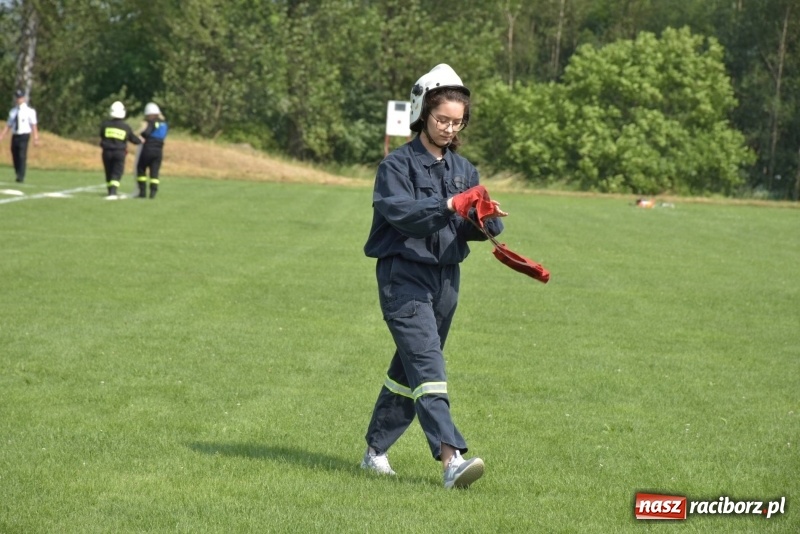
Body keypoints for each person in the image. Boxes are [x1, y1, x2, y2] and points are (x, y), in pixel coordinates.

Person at [361, 64, 507, 489]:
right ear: (423, 113)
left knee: (409, 370)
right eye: (442, 119)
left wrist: (486, 220)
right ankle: (451, 459)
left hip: (445, 281)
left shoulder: (465, 169)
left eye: (456, 121)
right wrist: (448, 205)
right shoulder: (395, 166)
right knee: (428, 363)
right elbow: (405, 216)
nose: (448, 127)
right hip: (402, 277)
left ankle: (375, 450)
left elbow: (463, 228)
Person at [99, 101, 141, 198]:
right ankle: (113, 191)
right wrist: (141, 141)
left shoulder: (105, 125)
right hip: (119, 152)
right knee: (117, 171)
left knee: (108, 171)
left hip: (106, 152)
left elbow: (101, 136)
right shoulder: (125, 127)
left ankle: (110, 191)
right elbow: (133, 139)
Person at [0, 89, 40, 183]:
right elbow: (9, 125)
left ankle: (21, 176)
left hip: (24, 134)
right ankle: (18, 172)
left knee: (22, 155)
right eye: (17, 98)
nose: (18, 99)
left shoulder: (29, 111)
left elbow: (33, 125)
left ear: (23, 98)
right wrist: (2, 135)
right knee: (14, 153)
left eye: (20, 97)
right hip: (15, 134)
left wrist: (36, 137)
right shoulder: (13, 111)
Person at [135, 102, 168, 199]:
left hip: (148, 149)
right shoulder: (164, 124)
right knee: (154, 172)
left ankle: (142, 192)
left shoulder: (152, 122)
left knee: (141, 169)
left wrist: (140, 133)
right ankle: (153, 193)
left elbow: (146, 133)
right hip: (159, 150)